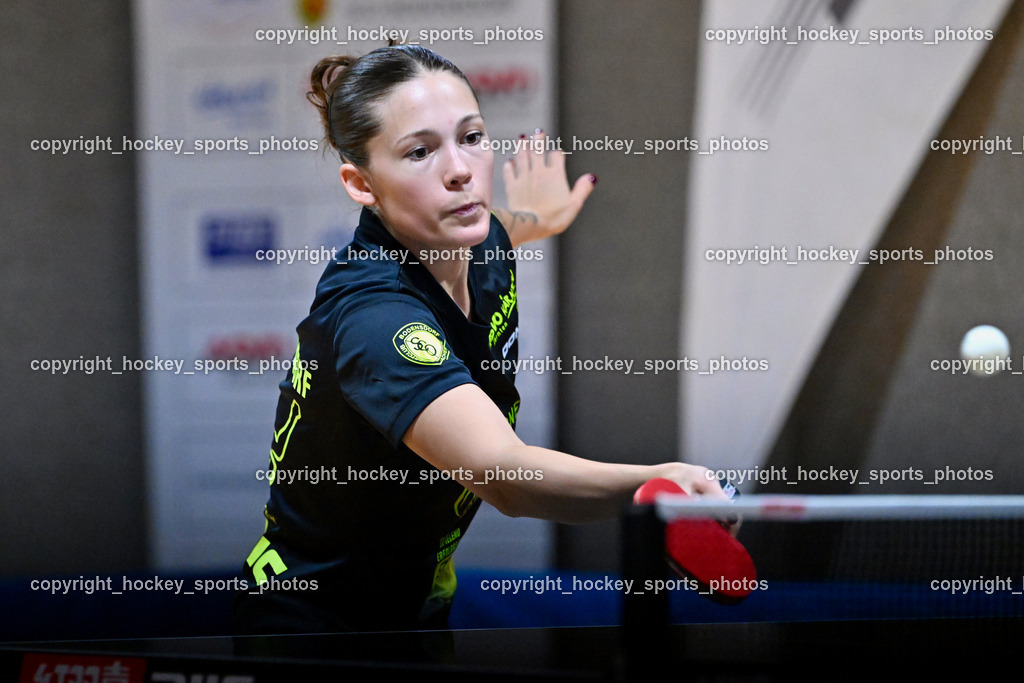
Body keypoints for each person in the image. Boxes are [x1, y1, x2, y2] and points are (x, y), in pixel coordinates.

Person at [232, 43, 731, 641]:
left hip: (415, 605)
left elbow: (503, 226)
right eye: (420, 152)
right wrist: (659, 481)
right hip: (316, 630)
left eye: (471, 137)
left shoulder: (478, 241)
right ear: (360, 184)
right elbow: (503, 474)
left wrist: (536, 215)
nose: (461, 170)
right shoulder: (376, 322)